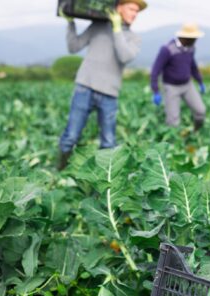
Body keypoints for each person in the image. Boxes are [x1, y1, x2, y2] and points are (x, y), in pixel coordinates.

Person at [57, 0, 147, 170]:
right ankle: (59, 172)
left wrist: (117, 29)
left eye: (137, 11)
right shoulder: (97, 25)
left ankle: (106, 181)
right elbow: (73, 47)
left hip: (109, 93)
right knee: (71, 136)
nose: (135, 14)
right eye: (131, 9)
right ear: (118, 8)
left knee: (108, 141)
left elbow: (124, 56)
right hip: (85, 87)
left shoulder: (134, 38)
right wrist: (70, 23)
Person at [150, 23, 207, 131]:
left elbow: (193, 66)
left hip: (187, 85)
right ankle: (173, 145)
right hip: (171, 87)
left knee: (200, 111)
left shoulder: (191, 48)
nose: (195, 40)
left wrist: (200, 81)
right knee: (173, 121)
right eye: (193, 38)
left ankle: (197, 133)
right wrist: (155, 91)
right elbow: (155, 71)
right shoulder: (167, 49)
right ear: (184, 37)